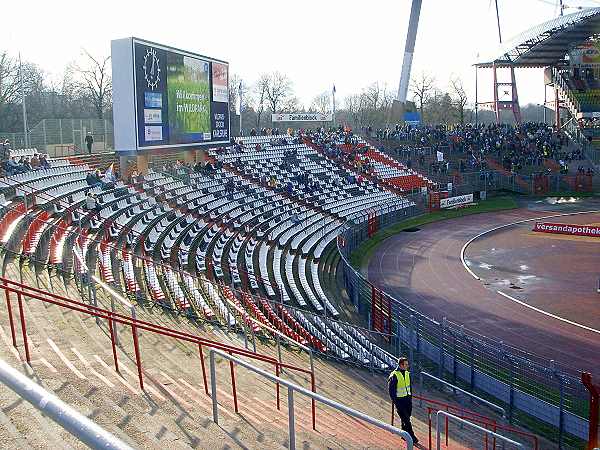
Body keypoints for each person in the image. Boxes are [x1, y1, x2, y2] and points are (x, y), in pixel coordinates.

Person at [388, 357, 418, 444]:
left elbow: (410, 387)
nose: (407, 366)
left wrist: (410, 397)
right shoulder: (394, 375)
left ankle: (403, 434)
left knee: (406, 418)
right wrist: (396, 403)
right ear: (401, 365)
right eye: (406, 364)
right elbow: (391, 391)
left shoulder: (407, 374)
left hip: (408, 400)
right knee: (406, 420)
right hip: (400, 402)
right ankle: (412, 436)